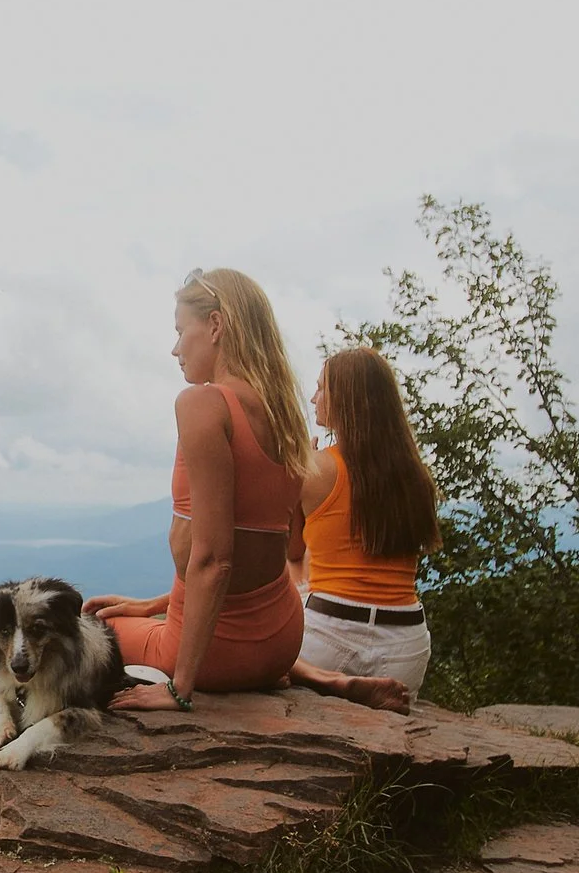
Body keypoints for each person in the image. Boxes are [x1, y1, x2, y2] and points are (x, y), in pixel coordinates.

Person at [86, 267, 314, 707]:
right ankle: (324, 678)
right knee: (128, 617)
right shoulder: (284, 413)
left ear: (215, 325)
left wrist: (178, 688)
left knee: (93, 627)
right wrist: (154, 604)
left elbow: (214, 558)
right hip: (283, 641)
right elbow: (258, 542)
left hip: (218, 655)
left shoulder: (204, 404)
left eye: (179, 330)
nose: (174, 349)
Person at [288, 345, 441, 709]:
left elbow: (291, 553)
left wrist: (296, 473)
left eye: (322, 388)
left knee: (239, 625)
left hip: (327, 637)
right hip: (406, 648)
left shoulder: (318, 469)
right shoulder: (417, 477)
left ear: (346, 398)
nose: (313, 398)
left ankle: (330, 680)